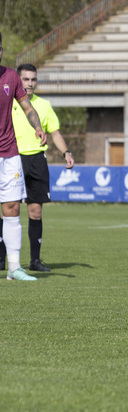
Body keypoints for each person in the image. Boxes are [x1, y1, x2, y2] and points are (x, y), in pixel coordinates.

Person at [1, 64, 74, 273]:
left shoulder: (44, 105)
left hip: (36, 160)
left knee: (35, 210)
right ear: (18, 80)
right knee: (6, 209)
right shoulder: (11, 100)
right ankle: (2, 259)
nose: (30, 84)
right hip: (12, 157)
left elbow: (55, 132)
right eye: (26, 79)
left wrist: (66, 152)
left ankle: (34, 260)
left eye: (33, 80)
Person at [0, 34, 48, 281]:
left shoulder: (11, 77)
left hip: (9, 153)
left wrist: (37, 126)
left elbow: (28, 107)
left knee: (12, 208)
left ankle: (14, 268)